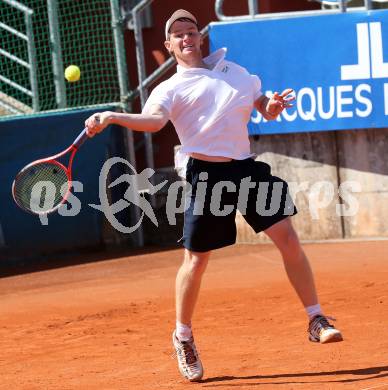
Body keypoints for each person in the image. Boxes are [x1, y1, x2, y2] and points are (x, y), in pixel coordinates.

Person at [85, 9, 343, 382]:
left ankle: (315, 318)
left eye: (192, 32)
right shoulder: (170, 88)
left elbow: (263, 109)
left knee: (287, 237)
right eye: (179, 35)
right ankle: (183, 335)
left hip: (245, 167)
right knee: (196, 261)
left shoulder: (235, 72)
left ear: (200, 37)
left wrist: (271, 107)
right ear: (168, 44)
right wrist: (113, 116)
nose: (187, 39)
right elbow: (154, 121)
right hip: (205, 174)